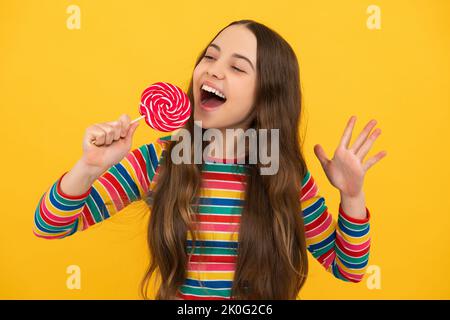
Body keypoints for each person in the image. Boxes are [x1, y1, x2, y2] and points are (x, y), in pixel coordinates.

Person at [34, 19, 386, 300]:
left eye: (237, 67)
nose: (214, 70)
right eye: (210, 56)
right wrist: (89, 167)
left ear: (267, 93)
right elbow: (49, 225)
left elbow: (349, 269)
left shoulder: (284, 173)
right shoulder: (162, 158)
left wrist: (352, 195)